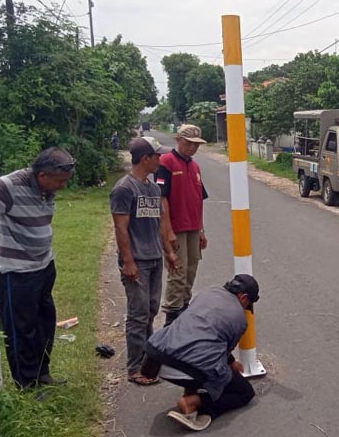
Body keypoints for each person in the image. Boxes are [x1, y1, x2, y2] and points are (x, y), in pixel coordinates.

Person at [0, 147, 75, 389]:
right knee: (21, 329)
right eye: (60, 181)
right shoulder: (9, 186)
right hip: (17, 271)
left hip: (43, 265)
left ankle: (43, 373)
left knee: (44, 323)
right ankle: (27, 383)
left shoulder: (44, 187)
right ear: (43, 175)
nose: (63, 186)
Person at [140, 274, 259, 431]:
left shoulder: (208, 292)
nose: (245, 308)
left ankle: (190, 390)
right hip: (187, 367)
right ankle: (194, 402)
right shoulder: (239, 319)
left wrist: (232, 362)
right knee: (244, 392)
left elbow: (201, 333)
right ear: (243, 297)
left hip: (156, 356)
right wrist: (230, 368)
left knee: (200, 352)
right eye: (248, 303)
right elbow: (220, 356)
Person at [110, 136, 179, 384]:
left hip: (154, 260)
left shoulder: (153, 188)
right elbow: (121, 228)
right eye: (157, 155)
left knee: (150, 311)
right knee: (138, 315)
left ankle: (148, 361)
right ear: (145, 158)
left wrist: (169, 252)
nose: (161, 160)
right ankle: (134, 368)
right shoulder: (124, 189)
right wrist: (128, 262)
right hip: (136, 261)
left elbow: (160, 223)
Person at [156, 124, 209, 326]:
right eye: (189, 143)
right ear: (178, 139)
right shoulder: (166, 162)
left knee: (191, 270)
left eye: (196, 145)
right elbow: (162, 198)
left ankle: (184, 311)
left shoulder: (195, 167)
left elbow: (198, 199)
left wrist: (202, 229)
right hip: (175, 227)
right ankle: (171, 318)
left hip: (193, 226)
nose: (192, 148)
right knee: (177, 272)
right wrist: (167, 230)